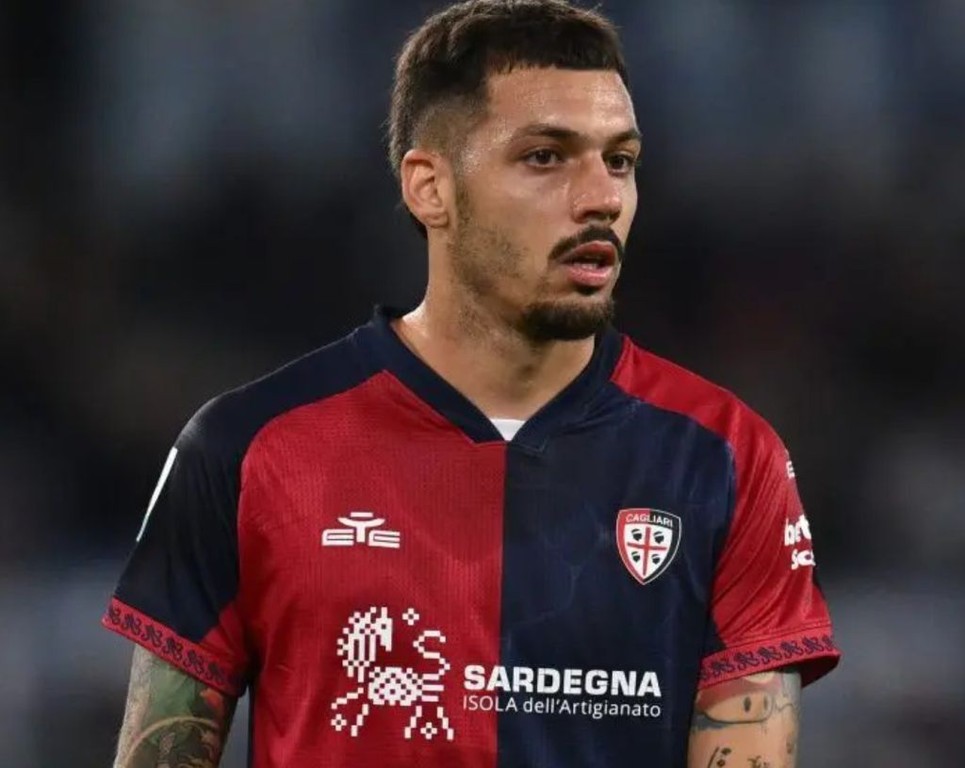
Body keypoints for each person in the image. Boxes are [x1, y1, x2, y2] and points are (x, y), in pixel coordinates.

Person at [104, 1, 839, 766]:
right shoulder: (245, 449)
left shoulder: (727, 459)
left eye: (619, 160)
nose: (601, 197)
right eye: (545, 157)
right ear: (430, 188)